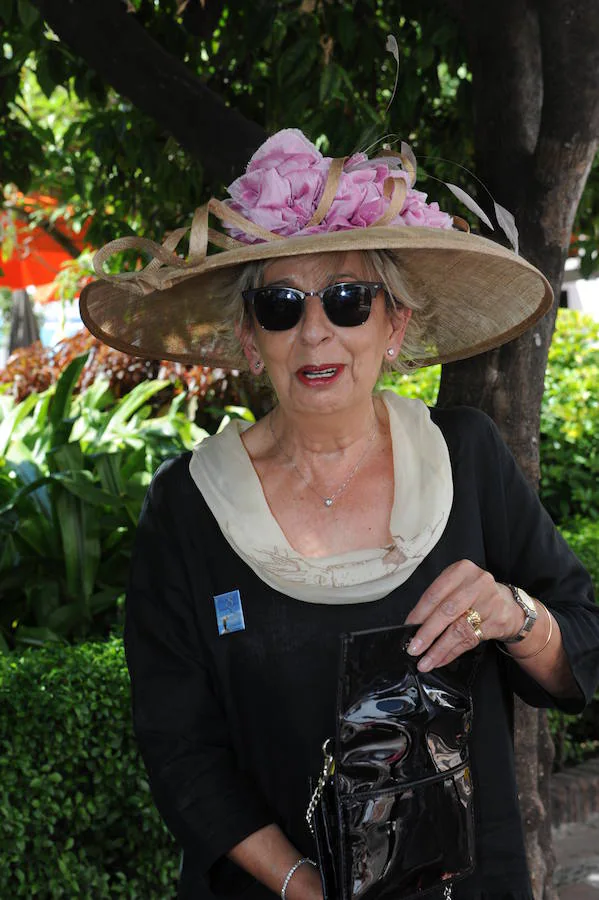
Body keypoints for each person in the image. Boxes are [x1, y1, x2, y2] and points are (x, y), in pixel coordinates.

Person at [81, 129, 599, 900]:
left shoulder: (466, 459)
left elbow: (579, 651)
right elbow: (179, 749)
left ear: (392, 326)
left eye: (348, 300)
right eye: (281, 306)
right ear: (252, 340)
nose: (315, 331)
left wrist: (514, 615)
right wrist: (303, 886)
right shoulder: (187, 507)